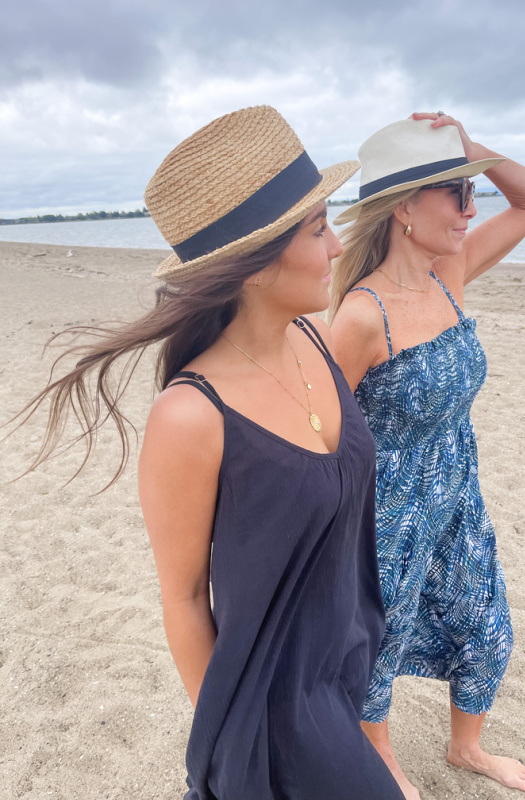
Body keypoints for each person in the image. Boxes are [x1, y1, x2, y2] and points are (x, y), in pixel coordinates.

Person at [12, 106, 406, 800]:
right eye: (319, 228)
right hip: (274, 711)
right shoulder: (192, 415)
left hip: (344, 668)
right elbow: (186, 597)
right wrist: (232, 747)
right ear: (255, 264)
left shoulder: (313, 340)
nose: (338, 247)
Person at [329, 111, 525, 798]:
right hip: (388, 510)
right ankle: (382, 759)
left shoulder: (446, 274)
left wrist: (470, 150)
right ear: (404, 207)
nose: (471, 208)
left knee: (484, 620)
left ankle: (467, 747)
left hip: (457, 490)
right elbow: (324, 431)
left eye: (471, 190)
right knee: (382, 643)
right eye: (457, 193)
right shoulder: (362, 315)